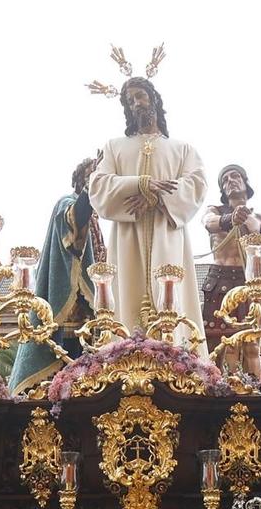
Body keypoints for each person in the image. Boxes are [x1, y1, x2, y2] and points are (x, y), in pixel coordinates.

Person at [86, 76, 208, 346]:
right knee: (125, 299)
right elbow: (98, 184)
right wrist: (140, 184)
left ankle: (177, 358)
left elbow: (196, 183)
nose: (135, 104)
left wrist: (156, 198)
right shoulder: (114, 146)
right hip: (128, 233)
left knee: (171, 296)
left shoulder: (182, 148)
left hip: (168, 232)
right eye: (130, 101)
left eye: (140, 96)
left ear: (153, 98)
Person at [9, 156, 106, 390]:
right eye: (92, 178)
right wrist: (95, 181)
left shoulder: (97, 220)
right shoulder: (67, 202)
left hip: (90, 315)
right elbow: (73, 222)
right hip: (68, 311)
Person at [200, 163, 261, 356]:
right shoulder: (215, 211)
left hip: (248, 284)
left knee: (252, 345)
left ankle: (255, 385)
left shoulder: (259, 220)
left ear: (245, 182)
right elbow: (208, 223)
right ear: (222, 190)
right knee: (218, 344)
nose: (230, 181)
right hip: (219, 283)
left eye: (235, 177)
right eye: (225, 180)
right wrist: (229, 219)